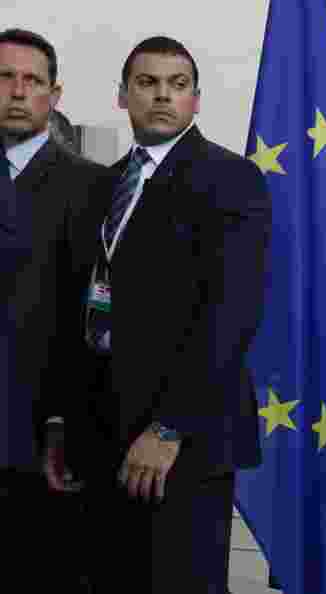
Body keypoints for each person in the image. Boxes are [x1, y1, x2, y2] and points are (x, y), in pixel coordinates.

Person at [45, 36, 271, 593]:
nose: (163, 96)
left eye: (178, 85)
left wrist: (170, 428)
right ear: (123, 96)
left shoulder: (232, 180)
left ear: (196, 99)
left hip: (182, 443)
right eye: (147, 83)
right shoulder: (102, 184)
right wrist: (62, 424)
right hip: (101, 437)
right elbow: (75, 313)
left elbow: (230, 314)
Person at [1, 28, 110, 591]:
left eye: (31, 80)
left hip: (46, 443)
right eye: (4, 78)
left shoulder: (93, 188)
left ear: (54, 93)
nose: (17, 91)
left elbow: (96, 324)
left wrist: (66, 421)